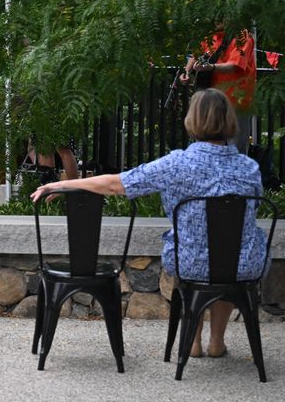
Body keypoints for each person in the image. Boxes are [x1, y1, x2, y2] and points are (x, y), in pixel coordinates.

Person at [31, 88, 267, 359]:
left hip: (190, 260)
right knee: (226, 253)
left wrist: (59, 184)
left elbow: (115, 184)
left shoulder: (177, 163)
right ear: (229, 121)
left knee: (198, 258)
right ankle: (217, 342)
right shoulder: (249, 168)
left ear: (193, 120)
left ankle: (193, 342)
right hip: (245, 263)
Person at [180, 26, 256, 153]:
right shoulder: (209, 35)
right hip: (210, 100)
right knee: (205, 146)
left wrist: (211, 67)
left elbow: (235, 65)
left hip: (236, 99)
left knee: (236, 148)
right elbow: (196, 54)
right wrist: (187, 71)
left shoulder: (243, 35)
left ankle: (236, 172)